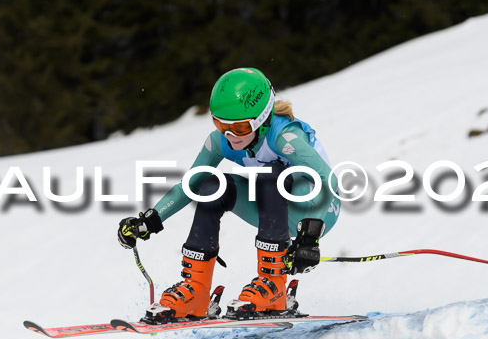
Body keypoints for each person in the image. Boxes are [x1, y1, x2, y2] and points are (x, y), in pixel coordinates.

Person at [118, 68, 340, 322]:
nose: (230, 136)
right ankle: (197, 291)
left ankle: (273, 285)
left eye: (241, 128)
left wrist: (310, 235)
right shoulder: (220, 141)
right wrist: (150, 219)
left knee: (272, 175)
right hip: (270, 212)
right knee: (212, 186)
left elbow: (328, 181)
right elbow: (187, 185)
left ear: (262, 118)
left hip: (316, 212)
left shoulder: (285, 136)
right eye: (221, 124)